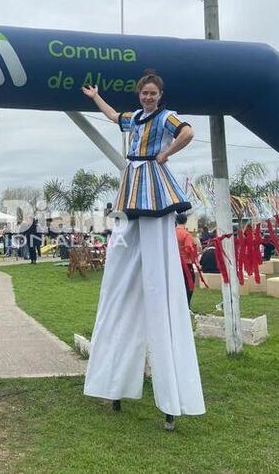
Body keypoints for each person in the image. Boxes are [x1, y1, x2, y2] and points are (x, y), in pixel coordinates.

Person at [81, 70, 205, 431]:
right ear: (140, 95)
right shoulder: (134, 118)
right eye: (144, 93)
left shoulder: (165, 117)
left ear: (159, 95)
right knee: (124, 258)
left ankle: (166, 395)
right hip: (132, 184)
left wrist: (166, 153)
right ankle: (115, 382)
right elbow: (112, 116)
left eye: (153, 93)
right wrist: (95, 97)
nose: (148, 97)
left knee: (154, 261)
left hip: (152, 180)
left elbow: (188, 132)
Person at [175, 214, 198, 307]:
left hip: (175, 262)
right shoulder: (186, 234)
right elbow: (188, 248)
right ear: (185, 221)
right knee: (189, 284)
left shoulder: (172, 232)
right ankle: (186, 305)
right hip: (186, 263)